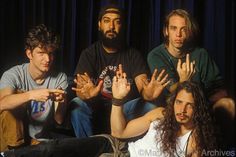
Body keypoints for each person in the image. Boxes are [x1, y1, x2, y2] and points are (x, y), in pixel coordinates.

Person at [1, 71, 218, 157]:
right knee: (54, 148)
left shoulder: (195, 140)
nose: (182, 109)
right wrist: (118, 100)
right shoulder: (160, 114)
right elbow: (119, 132)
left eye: (189, 105)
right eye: (179, 102)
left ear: (198, 109)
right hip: (115, 146)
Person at [70, 4, 168, 137]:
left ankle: (131, 149)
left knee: (150, 107)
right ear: (99, 25)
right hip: (97, 107)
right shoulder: (89, 54)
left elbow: (143, 87)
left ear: (122, 26)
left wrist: (148, 94)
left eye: (117, 22)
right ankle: (89, 149)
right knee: (77, 105)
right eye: (106, 21)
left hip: (124, 108)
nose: (111, 26)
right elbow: (81, 89)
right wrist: (86, 95)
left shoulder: (133, 55)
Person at [147, 9, 235, 147]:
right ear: (166, 31)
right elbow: (174, 95)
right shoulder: (156, 56)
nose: (178, 34)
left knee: (228, 104)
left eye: (184, 29)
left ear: (189, 32)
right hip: (172, 110)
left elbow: (219, 90)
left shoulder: (201, 54)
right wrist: (184, 80)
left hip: (201, 108)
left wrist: (202, 106)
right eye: (174, 28)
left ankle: (222, 150)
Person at [0, 24, 68, 151]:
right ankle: (18, 151)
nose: (47, 59)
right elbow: (2, 104)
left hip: (38, 141)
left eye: (50, 53)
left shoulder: (60, 78)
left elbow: (59, 119)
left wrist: (61, 101)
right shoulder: (13, 74)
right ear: (29, 54)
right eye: (41, 53)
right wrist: (31, 95)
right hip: (9, 142)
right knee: (14, 99)